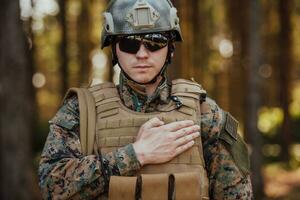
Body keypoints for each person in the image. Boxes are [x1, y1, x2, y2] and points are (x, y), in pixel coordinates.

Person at [38, 0, 253, 199]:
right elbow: (51, 186)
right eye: (129, 43)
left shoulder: (205, 111)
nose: (142, 54)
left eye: (154, 42)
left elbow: (237, 193)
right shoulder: (82, 110)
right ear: (114, 48)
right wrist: (136, 154)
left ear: (170, 48)